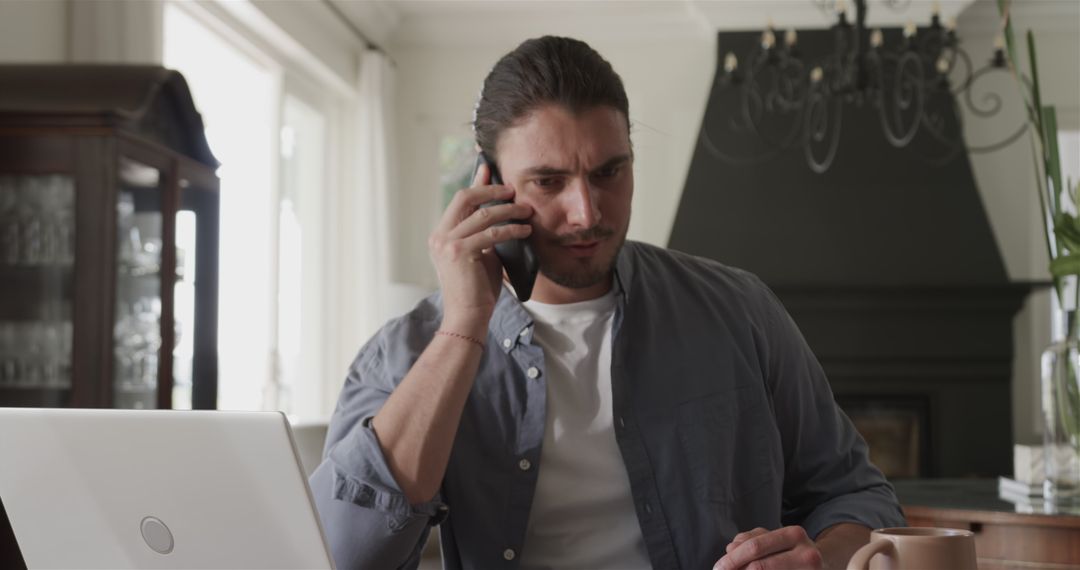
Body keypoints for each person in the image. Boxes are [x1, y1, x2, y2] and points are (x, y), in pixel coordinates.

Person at [310, 36, 905, 570]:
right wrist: (465, 327)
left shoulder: (741, 310)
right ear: (488, 182)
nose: (588, 213)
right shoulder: (407, 351)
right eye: (548, 182)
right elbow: (341, 556)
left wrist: (820, 561)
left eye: (609, 171)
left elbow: (856, 494)